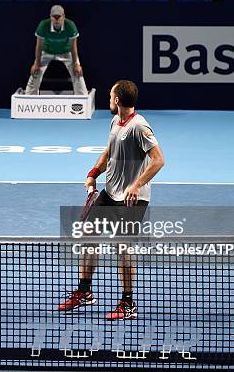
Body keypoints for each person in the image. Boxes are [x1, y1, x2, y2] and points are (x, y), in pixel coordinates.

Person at [58, 80, 165, 320]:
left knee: (123, 247)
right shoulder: (115, 121)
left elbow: (158, 160)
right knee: (88, 236)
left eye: (110, 95)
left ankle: (128, 304)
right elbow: (109, 152)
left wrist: (136, 185)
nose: (109, 99)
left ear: (117, 99)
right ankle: (84, 292)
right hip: (110, 192)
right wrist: (93, 173)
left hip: (132, 199)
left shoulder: (140, 127)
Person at [24, 5, 88, 95]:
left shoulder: (70, 25)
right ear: (50, 17)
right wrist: (37, 64)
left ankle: (82, 98)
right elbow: (39, 46)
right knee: (35, 71)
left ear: (64, 17)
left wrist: (76, 64)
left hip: (66, 52)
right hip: (47, 52)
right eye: (54, 17)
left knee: (77, 72)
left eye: (59, 17)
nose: (57, 20)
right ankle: (29, 98)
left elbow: (73, 47)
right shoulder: (43, 25)